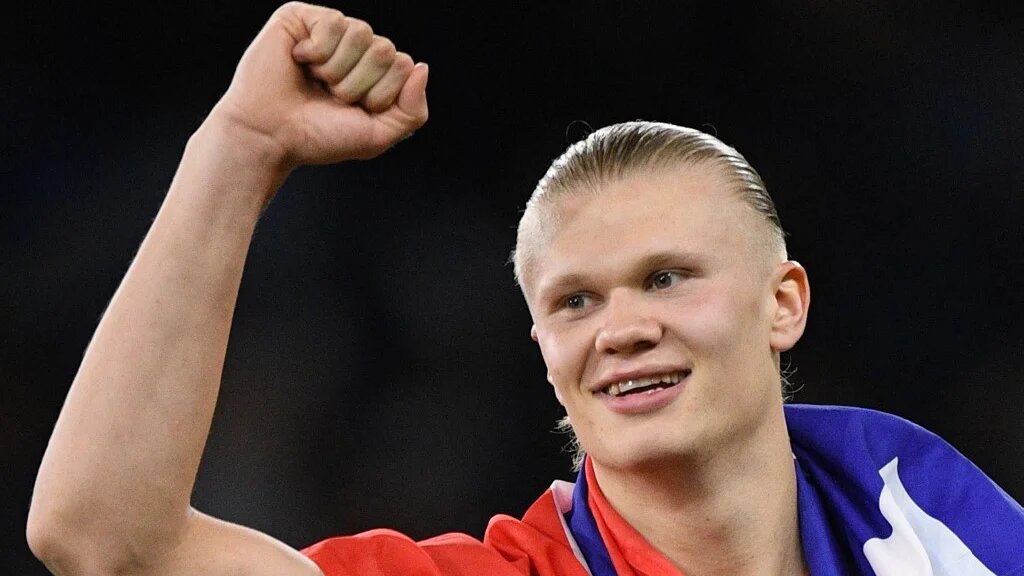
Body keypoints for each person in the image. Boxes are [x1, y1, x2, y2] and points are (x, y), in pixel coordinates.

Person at [26, 3, 1024, 576]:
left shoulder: (925, 523)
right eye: (574, 302)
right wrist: (238, 152)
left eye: (665, 278)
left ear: (783, 303)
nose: (621, 329)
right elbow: (102, 540)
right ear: (544, 352)